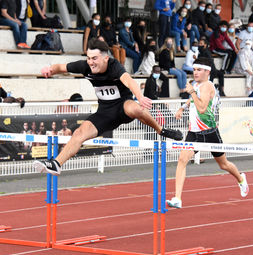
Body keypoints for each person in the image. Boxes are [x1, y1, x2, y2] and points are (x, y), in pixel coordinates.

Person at [33, 38, 183, 176]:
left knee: (136, 108)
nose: (91, 62)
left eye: (95, 58)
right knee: (79, 133)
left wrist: (140, 96)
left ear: (105, 58)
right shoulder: (85, 66)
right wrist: (50, 69)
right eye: (89, 58)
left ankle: (161, 130)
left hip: (123, 106)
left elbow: (129, 80)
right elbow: (61, 66)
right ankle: (56, 164)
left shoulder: (114, 66)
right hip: (104, 112)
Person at [166, 57, 249, 209]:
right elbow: (193, 100)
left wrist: (191, 92)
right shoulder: (197, 85)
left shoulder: (208, 86)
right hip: (194, 133)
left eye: (199, 70)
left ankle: (240, 178)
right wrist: (182, 108)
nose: (195, 73)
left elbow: (202, 108)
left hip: (209, 132)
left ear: (207, 71)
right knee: (182, 159)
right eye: (194, 70)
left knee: (223, 164)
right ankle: (177, 198)